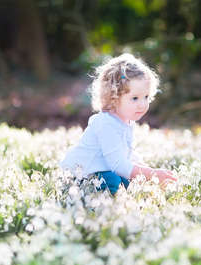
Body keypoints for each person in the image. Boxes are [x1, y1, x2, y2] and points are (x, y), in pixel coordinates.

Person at [60, 53, 177, 195]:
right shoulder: (106, 124)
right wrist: (151, 174)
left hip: (105, 169)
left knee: (131, 180)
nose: (142, 104)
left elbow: (128, 155)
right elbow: (118, 165)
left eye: (145, 97)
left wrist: (146, 170)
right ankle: (91, 192)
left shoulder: (126, 122)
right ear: (113, 98)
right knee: (114, 181)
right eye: (134, 98)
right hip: (81, 173)